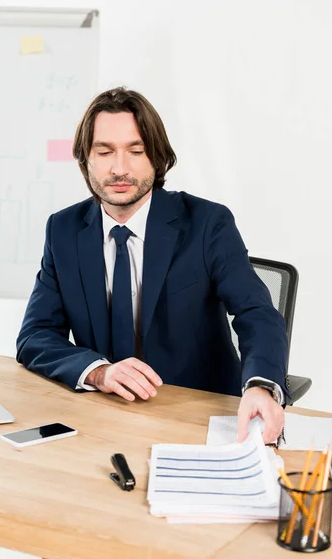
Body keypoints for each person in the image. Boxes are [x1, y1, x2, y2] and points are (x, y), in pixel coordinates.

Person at [17, 87, 287, 444]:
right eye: (104, 151)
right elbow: (35, 336)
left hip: (198, 415)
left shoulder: (207, 223)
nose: (119, 168)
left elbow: (257, 312)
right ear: (86, 159)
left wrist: (261, 386)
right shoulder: (64, 230)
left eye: (136, 151)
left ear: (157, 159)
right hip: (102, 417)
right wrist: (98, 372)